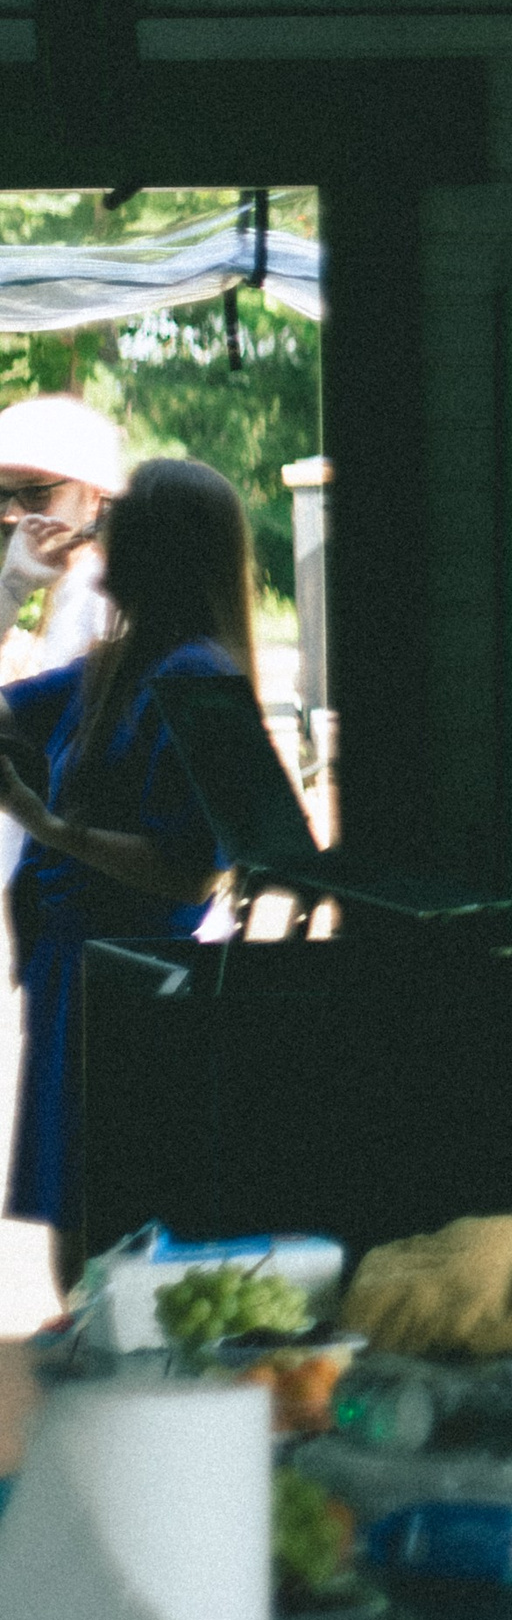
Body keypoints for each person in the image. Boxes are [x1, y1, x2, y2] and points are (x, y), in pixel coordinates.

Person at [0, 460, 246, 1248]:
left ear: (163, 548)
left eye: (123, 515)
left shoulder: (197, 673)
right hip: (74, 977)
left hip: (130, 988)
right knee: (80, 1237)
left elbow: (193, 870)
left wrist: (45, 825)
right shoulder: (119, 664)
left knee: (109, 1237)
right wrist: (11, 589)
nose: (100, 523)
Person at [0, 396, 127, 685]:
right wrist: (12, 587)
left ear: (95, 499)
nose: (10, 515)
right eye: (1, 495)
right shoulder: (68, 586)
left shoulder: (101, 602)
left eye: (35, 494)